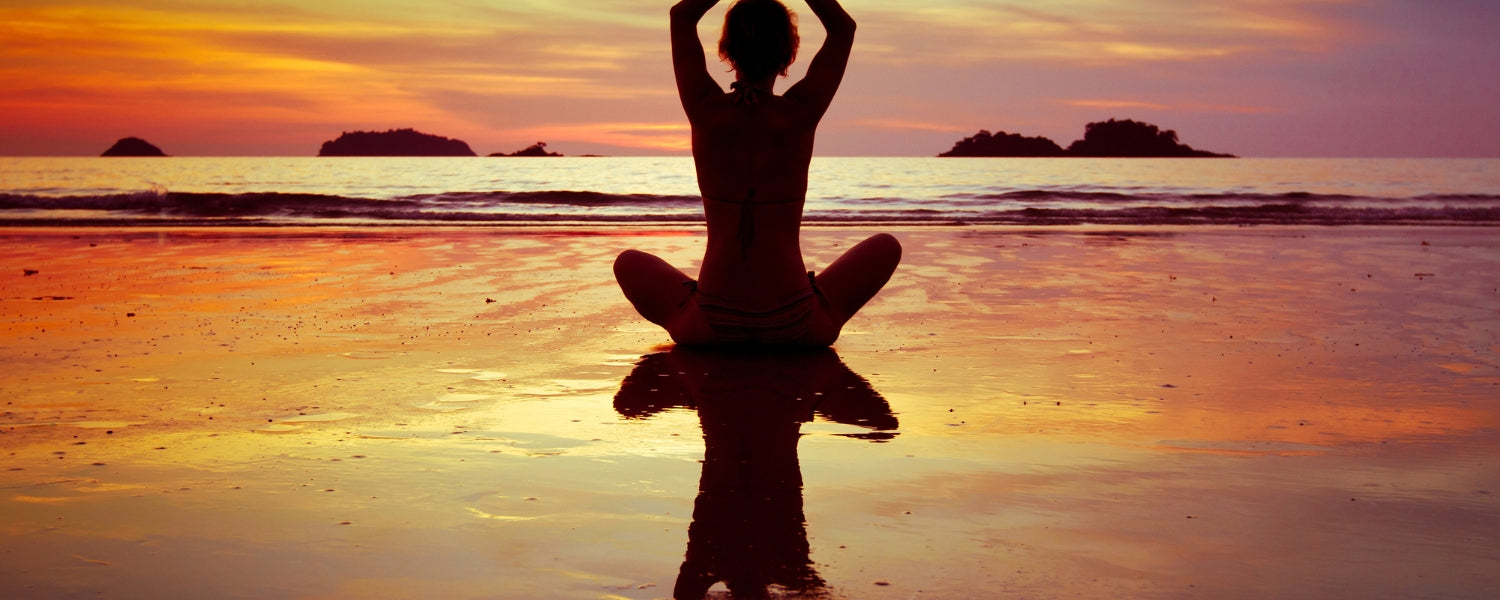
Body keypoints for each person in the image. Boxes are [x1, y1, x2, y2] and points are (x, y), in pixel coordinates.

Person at [614, 0, 902, 347]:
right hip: (797, 326)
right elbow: (843, 29)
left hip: (709, 327)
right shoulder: (800, 113)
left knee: (628, 262)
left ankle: (689, 309)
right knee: (886, 246)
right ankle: (810, 302)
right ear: (789, 55)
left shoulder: (705, 108)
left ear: (727, 51)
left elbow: (682, 14)